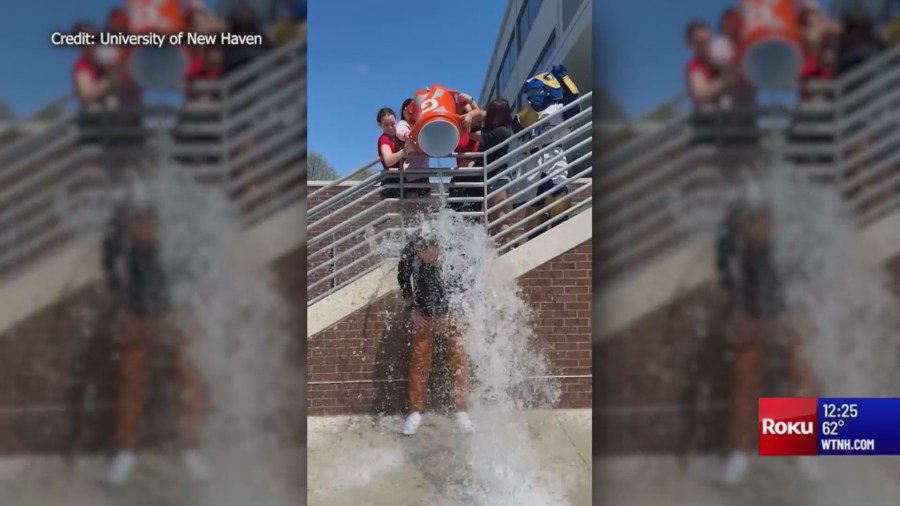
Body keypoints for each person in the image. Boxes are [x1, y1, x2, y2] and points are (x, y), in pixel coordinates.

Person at [101, 195, 210, 486]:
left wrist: (187, 316)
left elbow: (193, 279)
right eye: (137, 225)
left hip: (175, 310)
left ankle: (191, 449)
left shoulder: (177, 239)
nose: (142, 230)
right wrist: (127, 314)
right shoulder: (117, 241)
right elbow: (115, 281)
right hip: (139, 312)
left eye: (148, 224)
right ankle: (126, 452)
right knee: (130, 375)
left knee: (189, 374)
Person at [715, 189, 820, 485]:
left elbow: (804, 292)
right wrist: (746, 319)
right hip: (753, 312)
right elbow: (733, 291)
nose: (756, 230)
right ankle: (740, 452)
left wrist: (789, 321)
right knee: (745, 364)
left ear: (772, 221)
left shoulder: (790, 241)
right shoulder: (731, 243)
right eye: (750, 224)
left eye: (761, 222)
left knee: (801, 360)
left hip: (787, 308)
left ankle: (797, 445)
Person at [398, 225, 474, 436]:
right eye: (425, 255)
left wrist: (461, 312)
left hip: (452, 312)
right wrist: (413, 309)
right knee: (419, 361)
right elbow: (403, 281)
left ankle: (461, 412)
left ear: (438, 248)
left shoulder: (451, 254)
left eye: (432, 254)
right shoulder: (410, 255)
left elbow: (466, 282)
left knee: (460, 359)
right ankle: (415, 412)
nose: (428, 258)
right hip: (424, 314)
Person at [377, 107, 431, 202]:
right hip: (391, 180)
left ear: (396, 121)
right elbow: (388, 161)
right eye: (386, 125)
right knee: (396, 211)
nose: (390, 127)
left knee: (412, 209)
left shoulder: (400, 136)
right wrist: (405, 151)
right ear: (380, 125)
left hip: (405, 179)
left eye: (392, 123)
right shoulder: (384, 139)